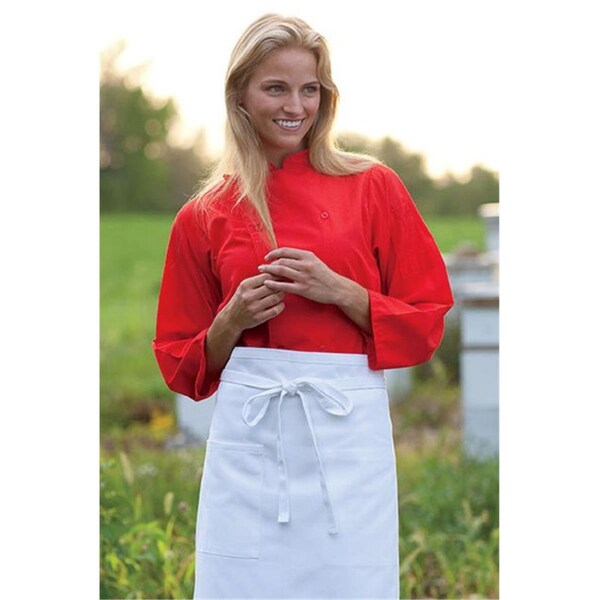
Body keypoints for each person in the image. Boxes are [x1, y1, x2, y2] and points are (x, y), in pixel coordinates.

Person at [153, 12, 454, 600]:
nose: (296, 106)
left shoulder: (374, 186)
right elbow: (180, 364)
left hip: (347, 441)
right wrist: (231, 319)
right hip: (250, 443)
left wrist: (341, 290)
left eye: (310, 89)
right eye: (276, 88)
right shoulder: (204, 214)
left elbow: (426, 320)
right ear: (240, 95)